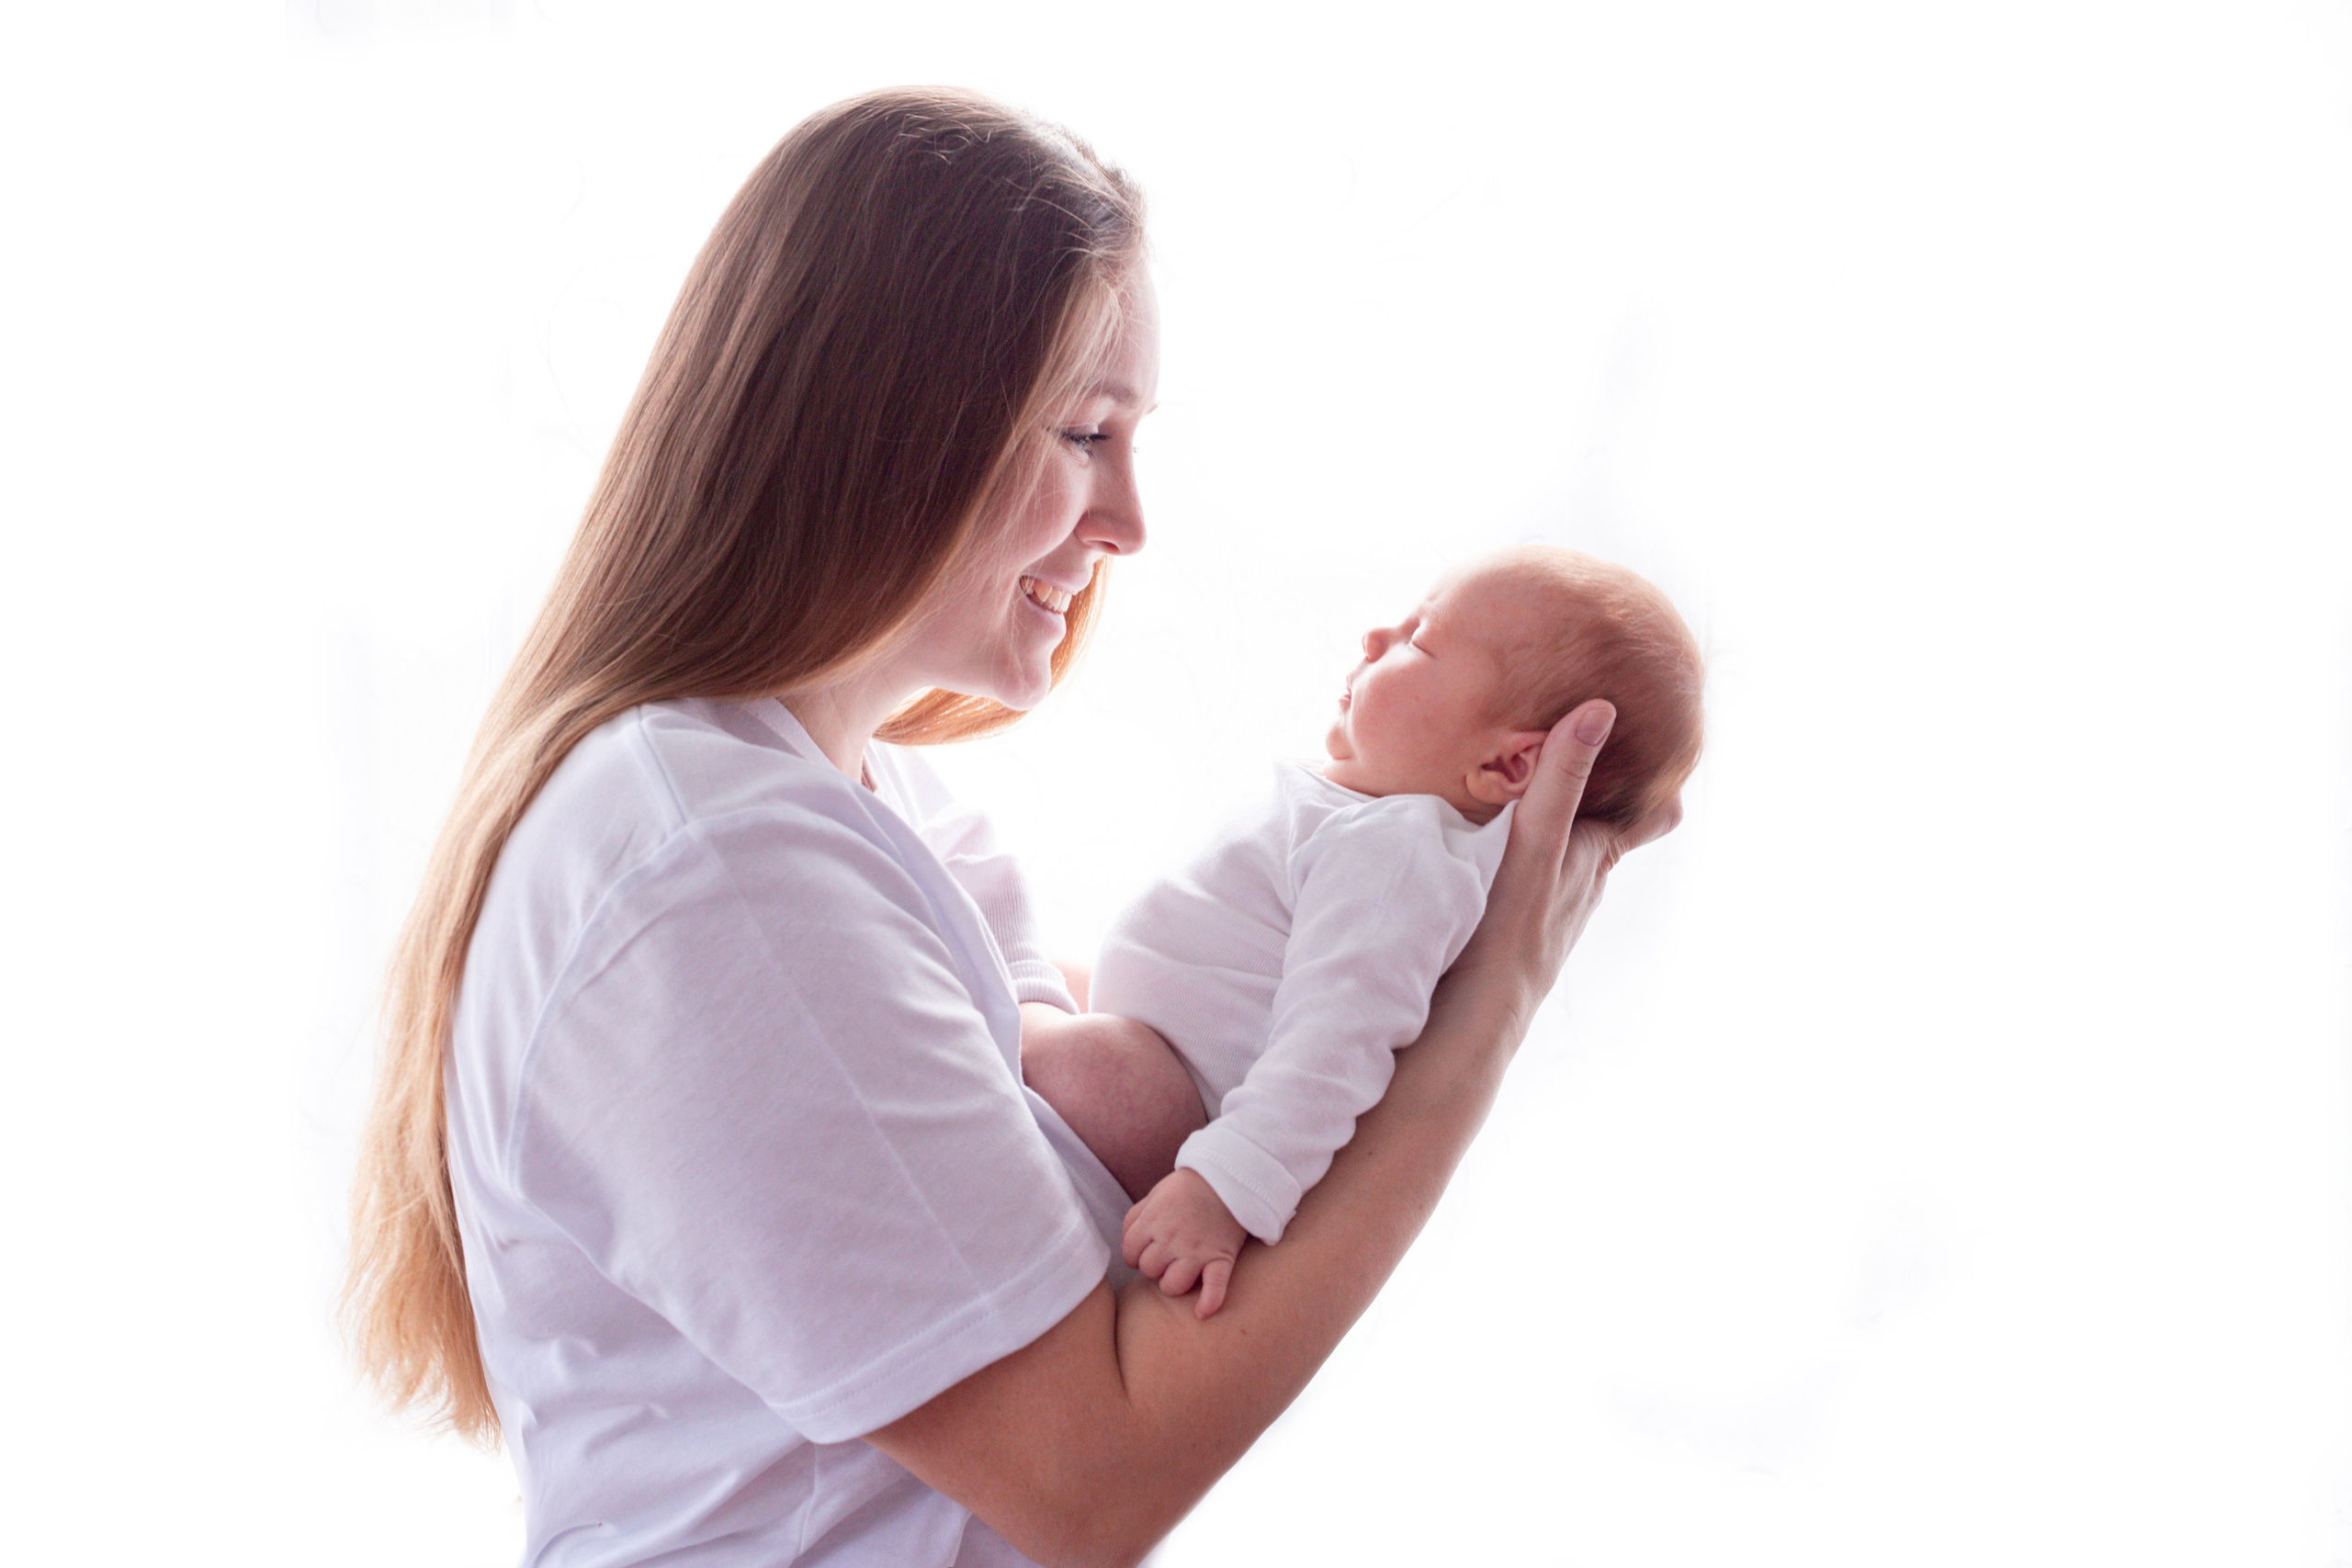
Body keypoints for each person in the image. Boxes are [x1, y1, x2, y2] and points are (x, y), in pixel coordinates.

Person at [343, 87, 1679, 1568]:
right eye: (1088, 432)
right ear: (890, 421)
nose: (1130, 521)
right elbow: (1089, 1477)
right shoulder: (710, 873)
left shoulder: (871, 808)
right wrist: (1480, 1017)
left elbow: (1126, 1118)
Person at [1032, 547, 1704, 1319]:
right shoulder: (1370, 827)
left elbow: (1336, 1045)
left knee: (1046, 1029)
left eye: (1420, 640)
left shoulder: (1397, 855)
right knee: (1046, 984)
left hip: (1150, 1105)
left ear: (1510, 763)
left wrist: (1224, 1188)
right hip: (1147, 1058)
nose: (1376, 636)